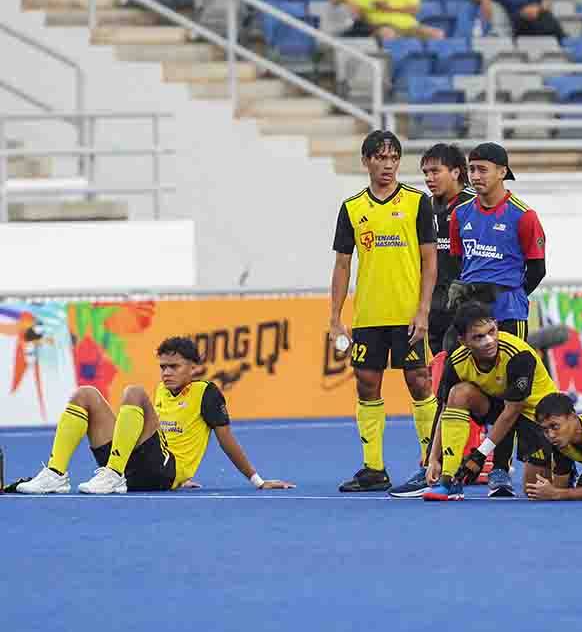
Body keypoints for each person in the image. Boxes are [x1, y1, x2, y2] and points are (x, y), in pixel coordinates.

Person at [16, 337, 294, 494]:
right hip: (137, 467)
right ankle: (56, 474)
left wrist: (257, 480)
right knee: (85, 394)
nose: (166, 373)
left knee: (134, 392)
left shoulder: (206, 393)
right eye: (163, 367)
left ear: (193, 368)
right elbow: (158, 435)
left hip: (163, 472)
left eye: (174, 366)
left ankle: (113, 474)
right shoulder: (162, 390)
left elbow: (226, 440)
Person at [330, 130, 438, 492]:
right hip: (369, 315)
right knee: (366, 384)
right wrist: (335, 319)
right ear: (366, 162)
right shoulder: (352, 207)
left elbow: (429, 260)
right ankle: (374, 468)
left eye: (394, 158)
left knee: (419, 381)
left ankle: (431, 464)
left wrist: (423, 311)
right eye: (380, 157)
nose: (388, 165)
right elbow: (342, 265)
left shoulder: (417, 202)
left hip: (407, 314)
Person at [446, 142, 547, 497]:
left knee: (509, 393)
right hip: (470, 315)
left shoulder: (524, 215)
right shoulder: (460, 214)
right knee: (458, 388)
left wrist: (506, 295)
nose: (475, 176)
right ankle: (445, 465)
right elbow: (458, 261)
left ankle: (500, 470)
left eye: (482, 169)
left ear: (502, 172)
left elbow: (537, 269)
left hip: (508, 313)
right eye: (471, 169)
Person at [388, 143, 475, 498]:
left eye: (435, 171)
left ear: (456, 171)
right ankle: (459, 463)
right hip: (433, 312)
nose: (429, 178)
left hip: (465, 315)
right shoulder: (424, 207)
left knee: (452, 391)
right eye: (425, 172)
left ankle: (436, 468)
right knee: (446, 388)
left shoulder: (472, 207)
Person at [423, 301, 573, 501]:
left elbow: (512, 412)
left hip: (536, 415)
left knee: (535, 491)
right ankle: (448, 480)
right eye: (478, 337)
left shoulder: (518, 355)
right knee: (458, 394)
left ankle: (563, 465)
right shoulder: (457, 362)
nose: (488, 341)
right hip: (500, 407)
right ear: (463, 341)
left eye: (491, 332)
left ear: (496, 325)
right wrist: (433, 458)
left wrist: (479, 456)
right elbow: (444, 410)